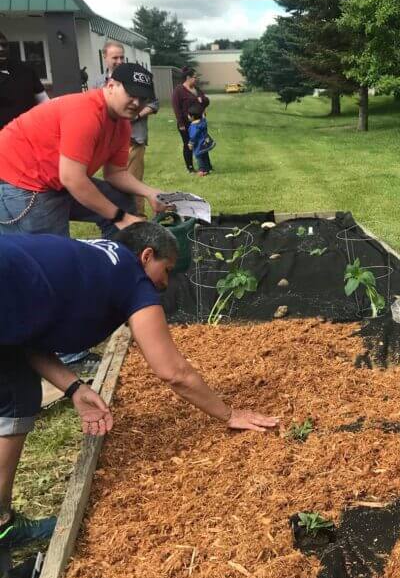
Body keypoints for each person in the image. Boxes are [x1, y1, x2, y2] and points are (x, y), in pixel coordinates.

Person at [0, 222, 278, 550]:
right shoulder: (133, 280)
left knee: (18, 392)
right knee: (17, 397)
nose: (165, 282)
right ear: (147, 256)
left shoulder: (99, 258)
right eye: (167, 270)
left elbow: (22, 338)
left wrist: (75, 388)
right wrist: (229, 414)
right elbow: (173, 371)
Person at [0, 63, 164, 239]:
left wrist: (150, 192)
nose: (137, 103)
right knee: (53, 256)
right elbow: (73, 179)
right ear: (110, 86)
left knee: (121, 200)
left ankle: (116, 260)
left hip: (59, 180)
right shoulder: (86, 113)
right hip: (23, 183)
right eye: (131, 94)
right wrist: (120, 217)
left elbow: (116, 173)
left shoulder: (122, 124)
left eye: (143, 98)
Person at [92, 41, 159, 216]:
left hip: (134, 136)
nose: (120, 61)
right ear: (104, 57)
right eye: (115, 57)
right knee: (113, 180)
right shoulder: (99, 81)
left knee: (133, 179)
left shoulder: (136, 76)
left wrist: (135, 115)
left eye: (122, 57)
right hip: (107, 140)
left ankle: (138, 217)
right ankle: (118, 216)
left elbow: (153, 103)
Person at [0, 30, 49, 130]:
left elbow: (43, 100)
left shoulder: (25, 69)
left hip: (31, 131)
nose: (1, 49)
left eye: (3, 45)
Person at [171, 67, 210, 174]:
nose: (196, 79)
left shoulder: (196, 89)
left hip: (199, 122)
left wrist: (203, 100)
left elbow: (206, 101)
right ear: (188, 77)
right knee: (188, 144)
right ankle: (190, 167)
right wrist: (181, 123)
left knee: (202, 143)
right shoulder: (178, 90)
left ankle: (206, 166)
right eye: (195, 77)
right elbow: (176, 108)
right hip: (186, 123)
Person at [187, 103, 213, 176]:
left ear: (192, 117)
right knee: (205, 155)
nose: (188, 116)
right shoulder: (202, 122)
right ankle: (209, 168)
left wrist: (190, 143)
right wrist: (203, 116)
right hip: (205, 143)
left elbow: (193, 136)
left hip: (198, 144)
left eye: (188, 115)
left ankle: (202, 170)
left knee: (199, 156)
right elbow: (204, 119)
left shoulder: (193, 126)